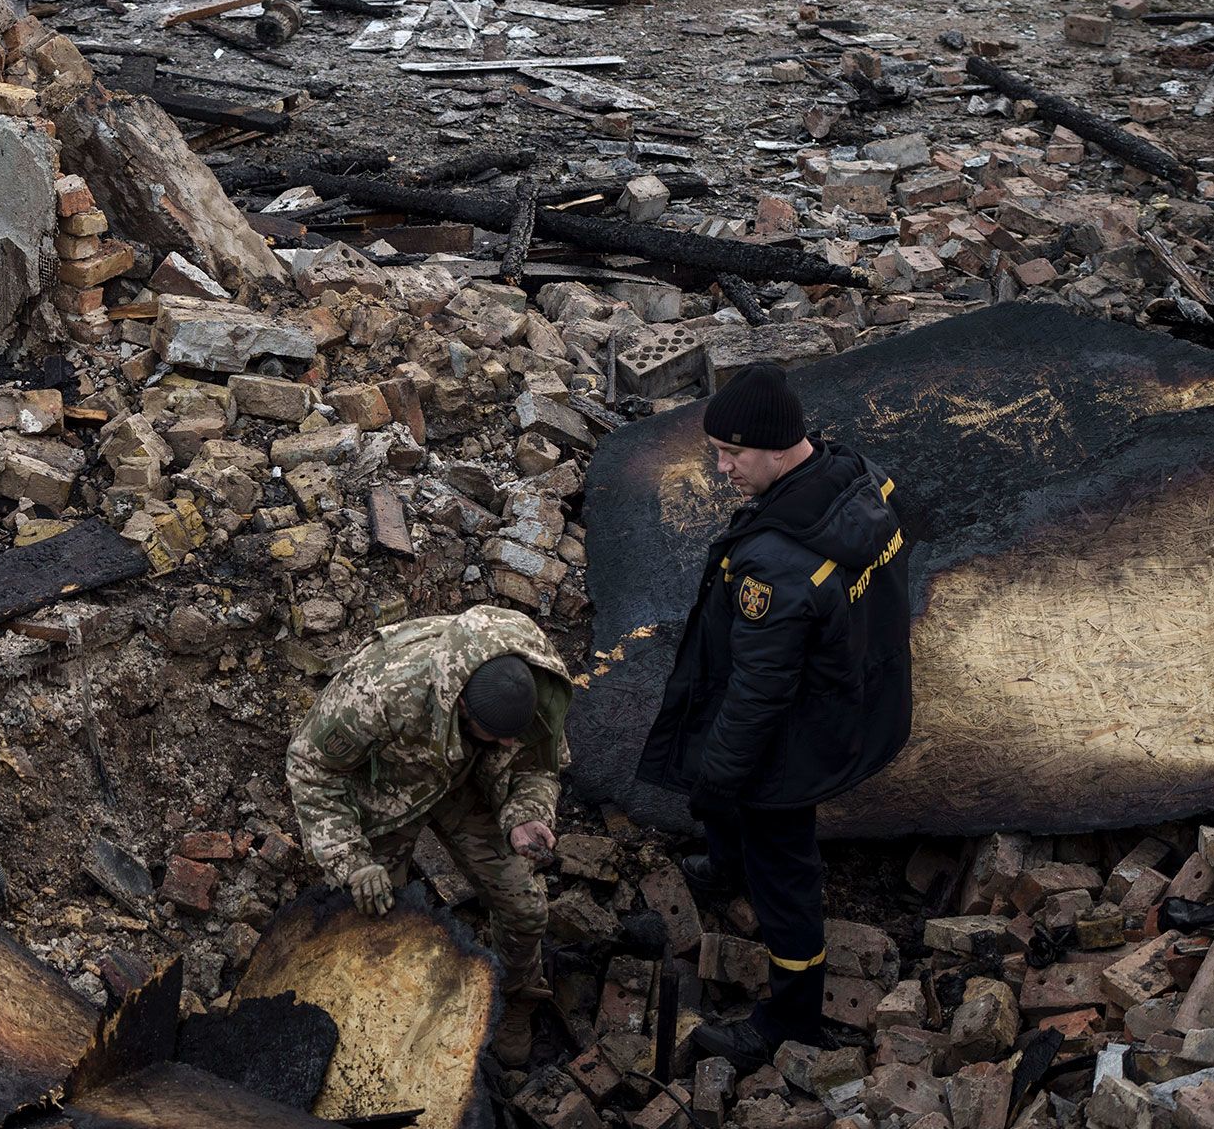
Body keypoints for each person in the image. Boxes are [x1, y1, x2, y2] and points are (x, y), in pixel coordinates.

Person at [636, 364, 913, 1073]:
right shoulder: (854, 475)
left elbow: (757, 697)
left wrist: (716, 783)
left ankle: (789, 1016)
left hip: (794, 745)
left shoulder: (776, 569)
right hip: (857, 696)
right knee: (739, 813)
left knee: (783, 869)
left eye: (731, 454)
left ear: (774, 446)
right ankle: (726, 865)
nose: (721, 468)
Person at [287, 606, 575, 1066]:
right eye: (495, 735)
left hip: (469, 788)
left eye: (511, 735)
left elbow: (538, 765)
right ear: (460, 703)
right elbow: (311, 768)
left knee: (526, 908)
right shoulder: (382, 690)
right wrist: (352, 861)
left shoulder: (533, 689)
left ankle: (514, 1000)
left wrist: (526, 813)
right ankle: (394, 1014)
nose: (506, 743)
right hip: (389, 793)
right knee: (379, 915)